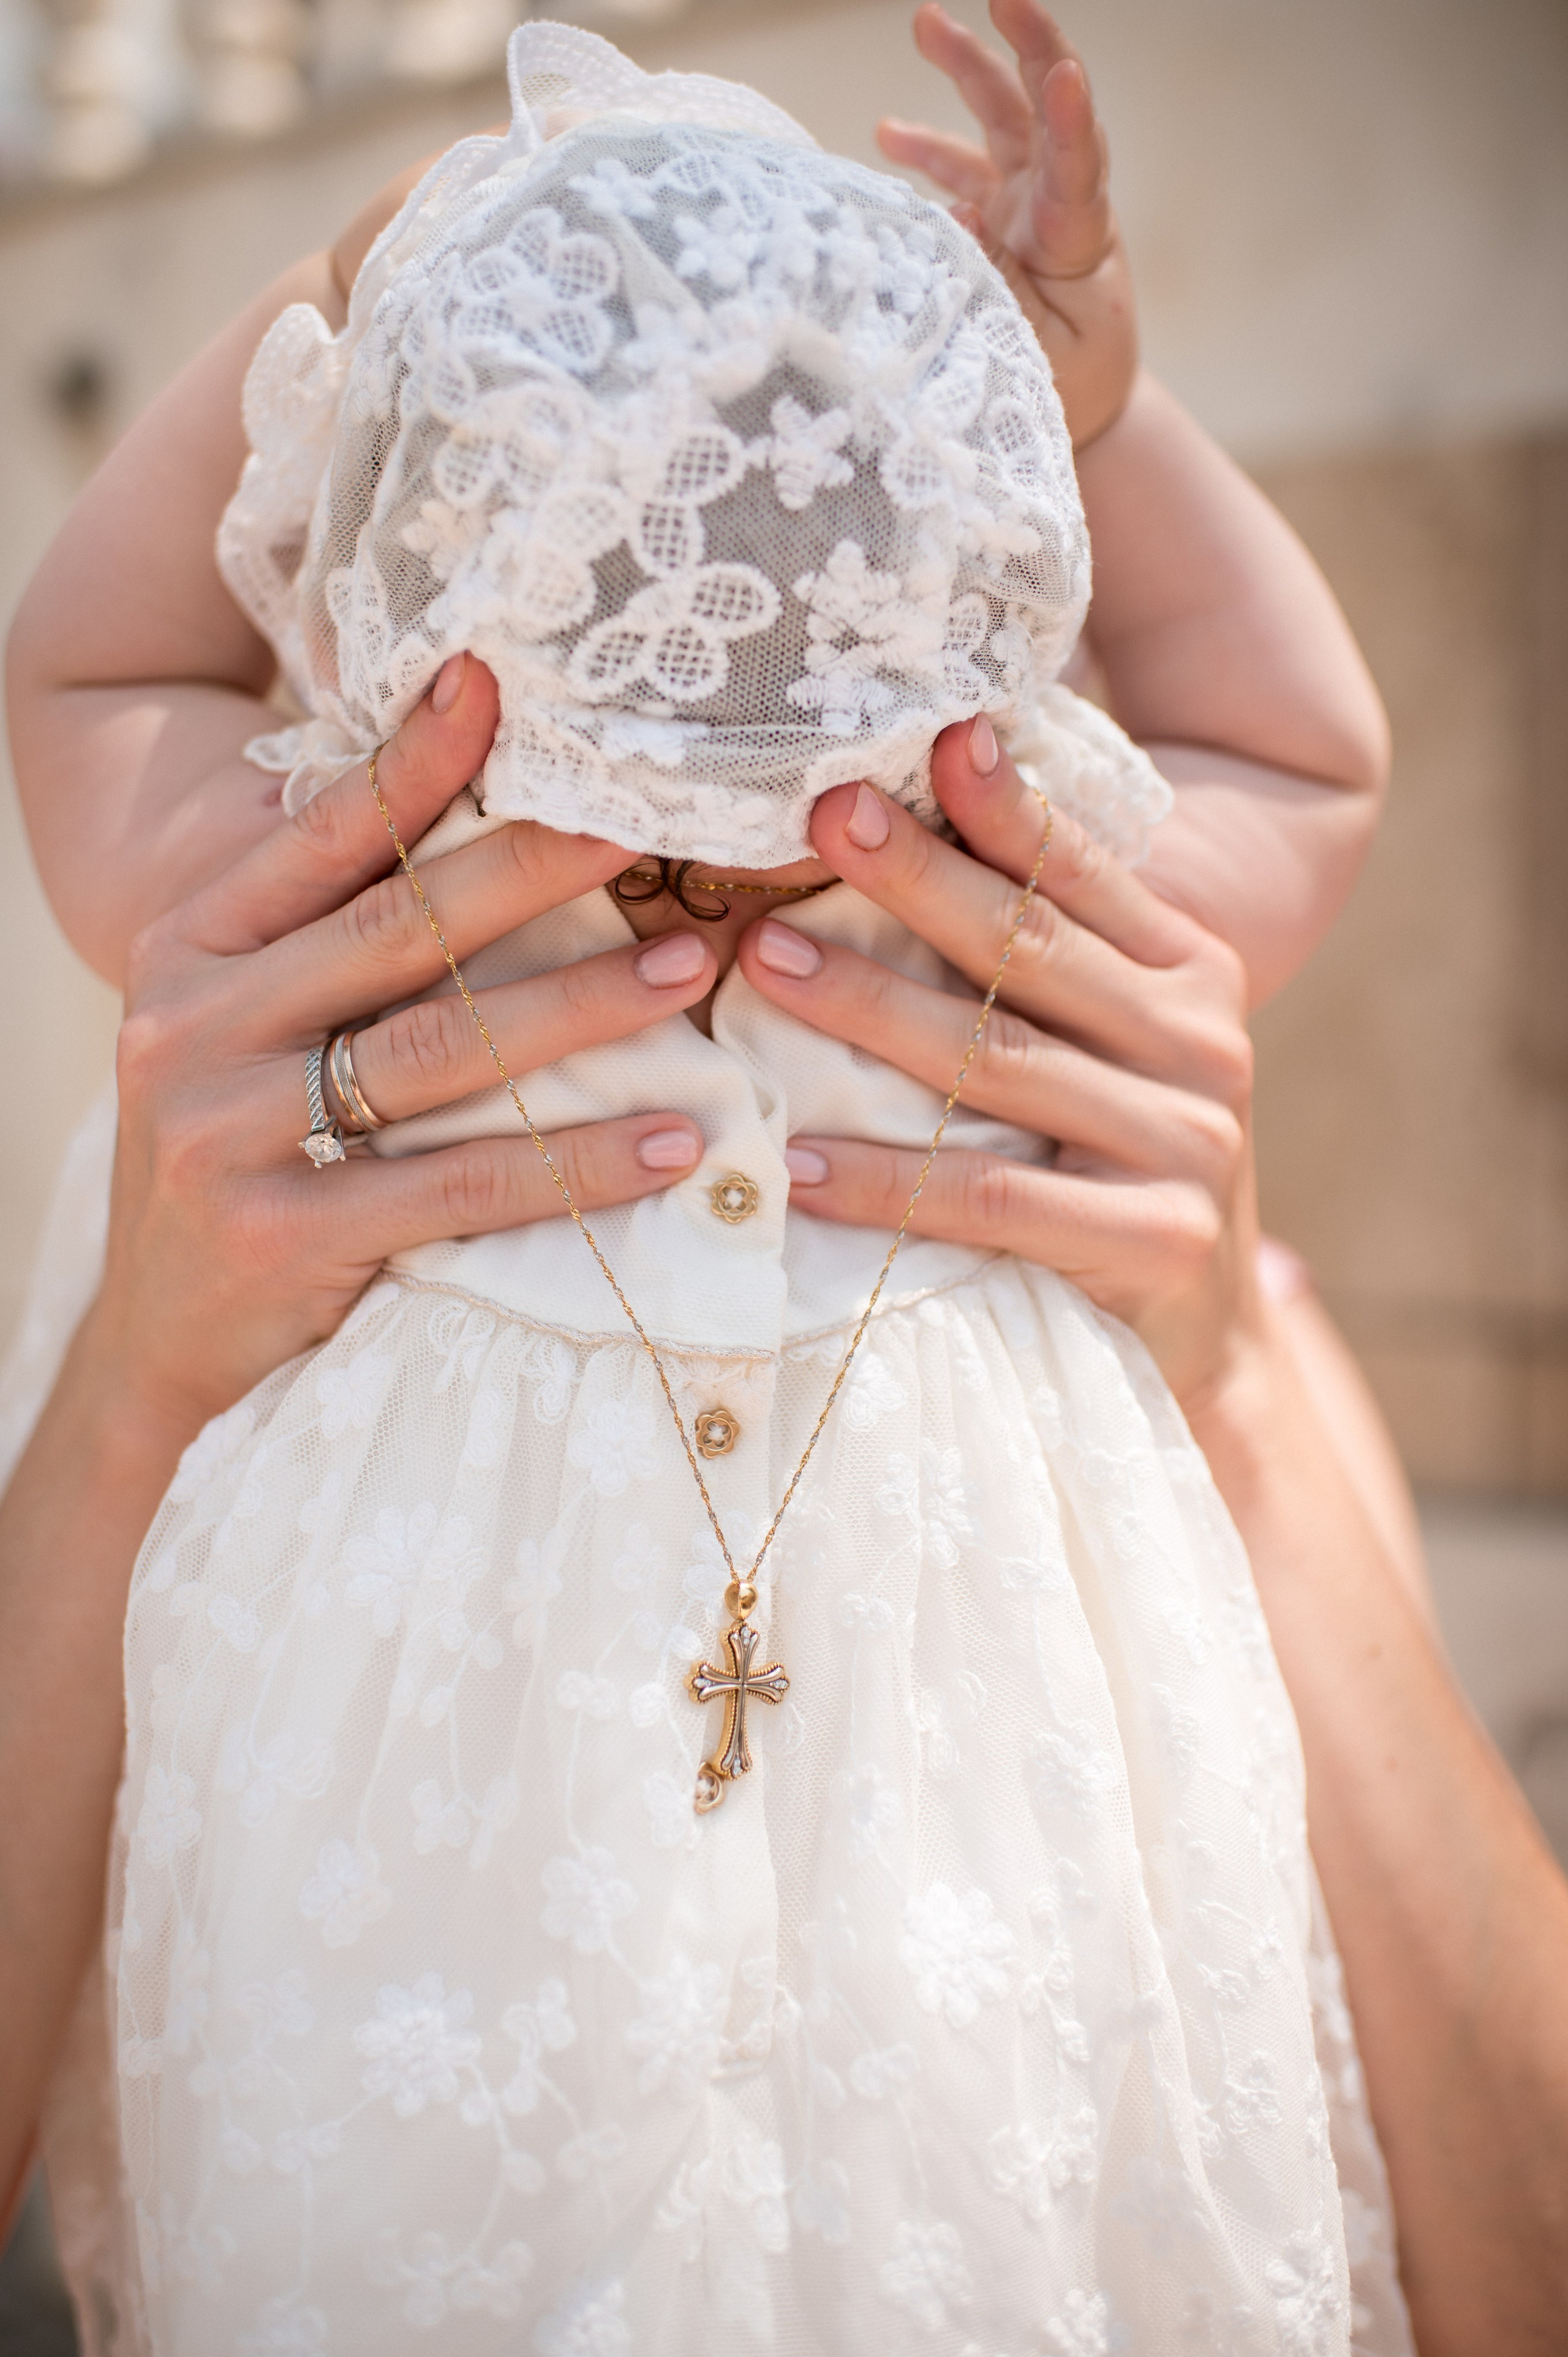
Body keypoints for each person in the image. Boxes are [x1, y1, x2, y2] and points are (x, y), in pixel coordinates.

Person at [0, 10, 1442, 2350]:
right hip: (956, 1999)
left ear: (399, 606)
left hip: (427, 1999)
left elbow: (86, 663)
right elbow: (1306, 746)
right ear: (984, 622)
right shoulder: (1002, 912)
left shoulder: (334, 915)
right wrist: (1095, 401)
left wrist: (351, 279)